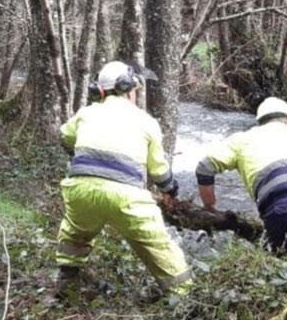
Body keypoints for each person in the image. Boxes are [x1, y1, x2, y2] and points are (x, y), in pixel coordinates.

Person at [55, 61, 192, 300]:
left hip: (80, 189)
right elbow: (158, 169)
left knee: (75, 233)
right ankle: (185, 296)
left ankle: (67, 282)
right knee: (158, 245)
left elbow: (65, 137)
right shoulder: (146, 121)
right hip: (127, 196)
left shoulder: (87, 113)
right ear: (129, 89)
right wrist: (170, 189)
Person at [196, 97, 287, 270]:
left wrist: (210, 206)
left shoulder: (242, 139)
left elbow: (204, 167)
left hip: (285, 206)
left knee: (281, 270)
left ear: (259, 121)